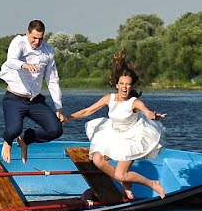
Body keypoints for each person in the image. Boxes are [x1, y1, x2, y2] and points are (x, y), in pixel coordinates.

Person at [66, 51, 166, 199]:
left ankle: (152, 184)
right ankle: (125, 183)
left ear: (131, 86)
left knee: (121, 174)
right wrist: (67, 118)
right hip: (113, 133)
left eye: (128, 84)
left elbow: (147, 112)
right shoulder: (109, 98)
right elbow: (88, 110)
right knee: (97, 160)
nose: (125, 87)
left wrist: (153, 115)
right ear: (117, 84)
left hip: (132, 137)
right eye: (122, 84)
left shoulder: (134, 102)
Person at [0, 20, 65, 163]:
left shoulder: (47, 52)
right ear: (27, 33)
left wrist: (58, 107)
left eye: (40, 38)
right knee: (14, 130)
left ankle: (26, 139)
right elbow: (11, 61)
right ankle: (8, 141)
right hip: (14, 99)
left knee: (56, 130)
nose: (37, 41)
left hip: (35, 101)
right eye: (34, 37)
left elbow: (52, 80)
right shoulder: (19, 42)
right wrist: (24, 65)